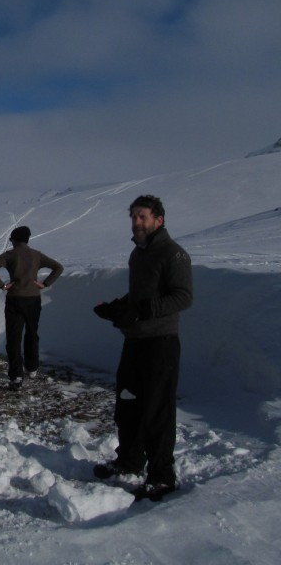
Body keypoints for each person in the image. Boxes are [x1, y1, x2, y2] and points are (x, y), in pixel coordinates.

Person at [93, 195, 192, 502]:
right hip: (135, 340)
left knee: (157, 410)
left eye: (143, 217)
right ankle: (130, 460)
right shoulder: (138, 254)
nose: (137, 222)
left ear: (158, 220)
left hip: (160, 342)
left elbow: (183, 297)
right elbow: (139, 294)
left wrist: (143, 310)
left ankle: (162, 476)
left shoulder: (173, 254)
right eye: (134, 216)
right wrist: (118, 307)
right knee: (128, 403)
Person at [0, 226, 63, 389]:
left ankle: (16, 376)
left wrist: (2, 285)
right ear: (27, 239)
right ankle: (32, 367)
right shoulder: (36, 255)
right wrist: (45, 283)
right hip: (33, 299)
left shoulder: (10, 255)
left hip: (14, 298)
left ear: (14, 239)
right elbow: (58, 267)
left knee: (14, 337)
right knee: (32, 333)